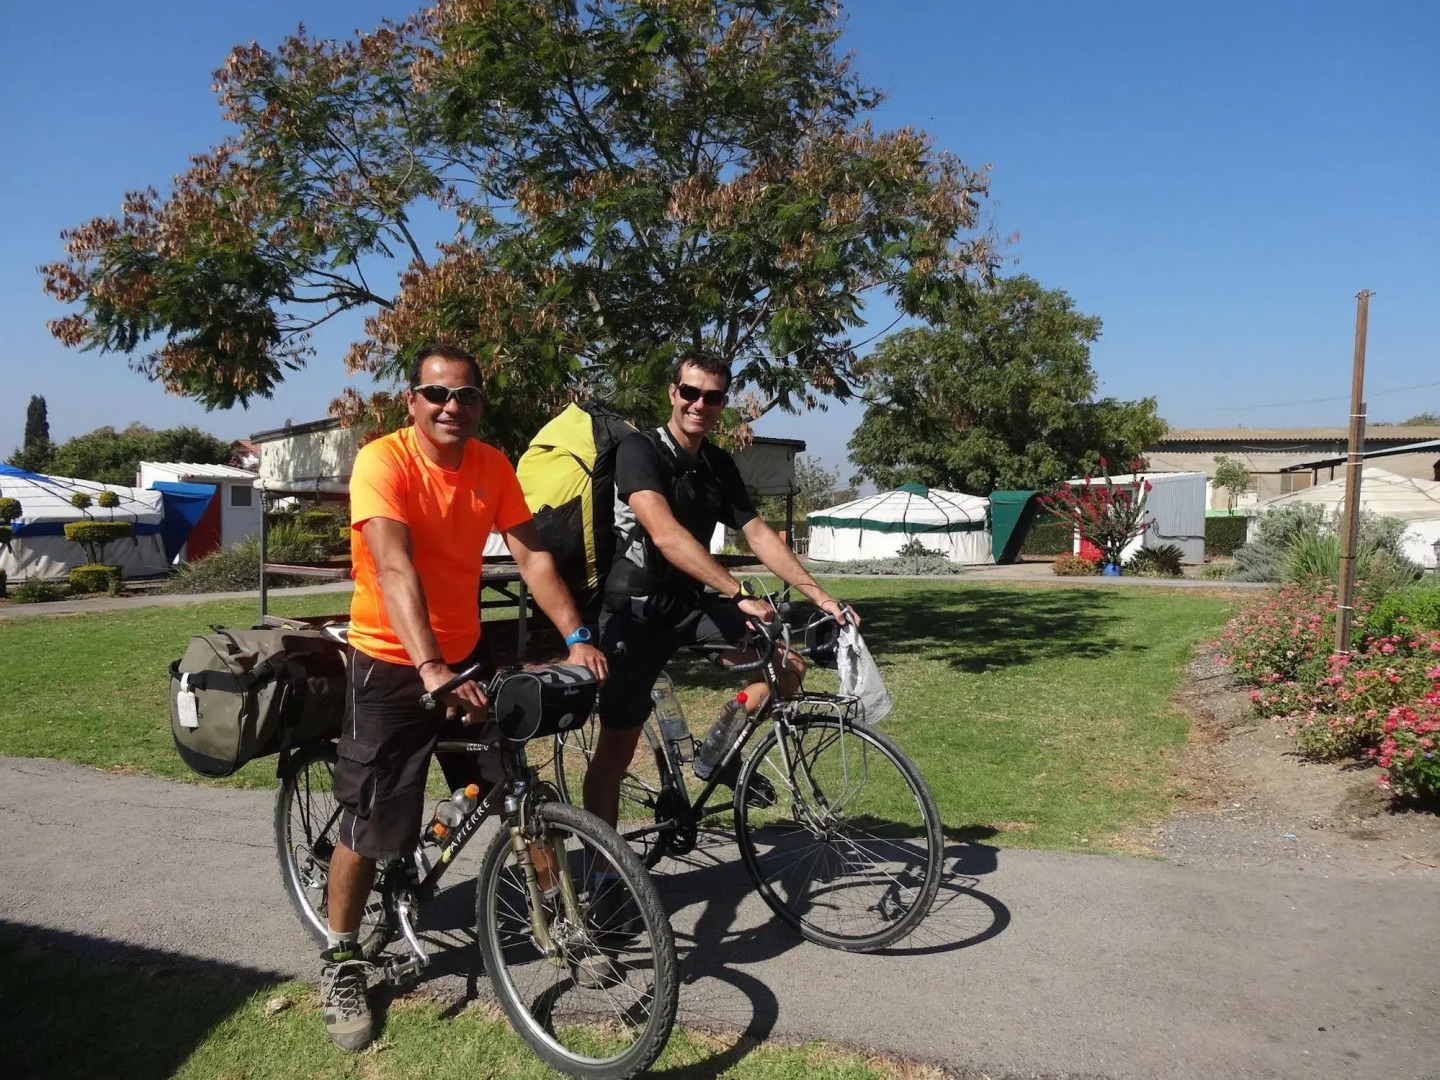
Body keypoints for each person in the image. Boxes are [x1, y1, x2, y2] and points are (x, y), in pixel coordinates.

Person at [320, 343, 606, 1052]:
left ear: (479, 404)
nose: (453, 407)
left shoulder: (491, 465)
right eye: (437, 394)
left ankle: (561, 922)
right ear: (411, 401)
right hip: (392, 663)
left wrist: (577, 634)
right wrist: (428, 667)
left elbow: (533, 555)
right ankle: (341, 958)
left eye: (467, 396)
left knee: (509, 787)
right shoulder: (383, 461)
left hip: (465, 660)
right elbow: (392, 564)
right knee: (373, 820)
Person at [585, 349, 858, 832]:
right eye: (689, 393)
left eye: (712, 398)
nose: (699, 405)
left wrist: (821, 596)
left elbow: (755, 532)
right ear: (673, 393)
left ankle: (717, 751)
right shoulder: (639, 450)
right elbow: (665, 535)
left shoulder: (717, 463)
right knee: (615, 753)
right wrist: (736, 591)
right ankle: (604, 872)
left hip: (691, 605)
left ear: (722, 403)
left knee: (785, 664)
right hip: (635, 614)